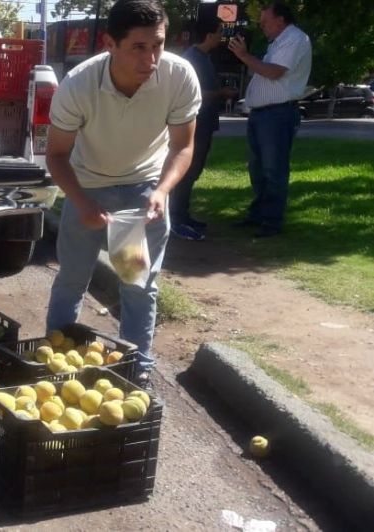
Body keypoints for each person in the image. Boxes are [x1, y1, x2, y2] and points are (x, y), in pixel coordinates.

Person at [45, 0, 201, 388]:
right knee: (72, 279)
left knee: (138, 284)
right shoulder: (79, 85)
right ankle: (55, 359)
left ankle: (136, 368)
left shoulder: (179, 76)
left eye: (158, 45)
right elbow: (57, 155)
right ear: (109, 43)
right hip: (87, 185)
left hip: (142, 192)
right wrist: (82, 203)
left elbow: (183, 145)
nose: (150, 59)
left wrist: (163, 191)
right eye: (138, 47)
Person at [228, 2, 312, 237]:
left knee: (273, 169)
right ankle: (259, 214)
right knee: (258, 168)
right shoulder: (279, 42)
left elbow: (274, 72)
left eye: (265, 21)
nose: (261, 26)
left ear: (281, 20)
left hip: (277, 114)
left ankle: (272, 220)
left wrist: (244, 56)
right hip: (263, 114)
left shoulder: (295, 39)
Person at [170, 16, 238, 241]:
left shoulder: (203, 57)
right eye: (219, 32)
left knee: (194, 171)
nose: (221, 36)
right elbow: (192, 93)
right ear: (209, 35)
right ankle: (174, 219)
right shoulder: (192, 59)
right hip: (194, 126)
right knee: (186, 171)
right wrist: (221, 94)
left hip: (205, 124)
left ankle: (182, 215)